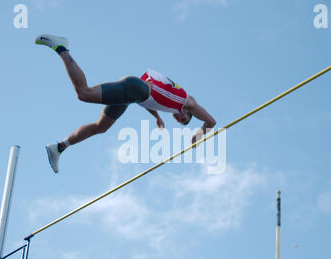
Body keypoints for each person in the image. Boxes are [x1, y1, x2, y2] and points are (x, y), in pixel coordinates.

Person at [35, 34, 216, 173]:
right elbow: (211, 122)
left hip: (133, 96)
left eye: (181, 123)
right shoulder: (187, 102)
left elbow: (151, 99)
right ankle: (61, 48)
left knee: (101, 126)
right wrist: (199, 136)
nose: (180, 120)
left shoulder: (169, 104)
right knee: (84, 93)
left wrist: (157, 117)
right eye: (185, 120)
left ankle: (59, 147)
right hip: (135, 90)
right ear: (188, 112)